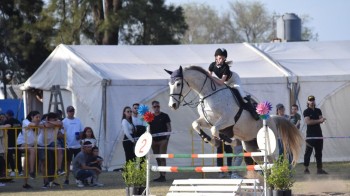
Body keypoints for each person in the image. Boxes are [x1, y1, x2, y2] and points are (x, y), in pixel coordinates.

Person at [208, 48, 259, 120]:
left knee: (242, 95)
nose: (220, 60)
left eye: (222, 59)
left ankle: (253, 112)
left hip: (234, 80)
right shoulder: (212, 65)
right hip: (226, 82)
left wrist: (212, 78)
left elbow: (221, 82)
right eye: (219, 58)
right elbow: (208, 76)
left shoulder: (226, 67)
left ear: (225, 59)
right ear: (215, 57)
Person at [303, 95, 328, 175]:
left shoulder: (318, 110)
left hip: (319, 135)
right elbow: (308, 122)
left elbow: (321, 120)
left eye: (313, 100)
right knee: (308, 153)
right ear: (308, 102)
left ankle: (319, 169)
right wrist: (319, 120)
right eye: (310, 100)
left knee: (319, 153)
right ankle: (306, 169)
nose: (312, 101)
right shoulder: (306, 111)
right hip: (310, 136)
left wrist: (321, 120)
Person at [38, 112, 63, 188]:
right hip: (41, 143)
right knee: (44, 163)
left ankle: (59, 169)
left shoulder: (55, 121)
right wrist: (53, 123)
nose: (56, 119)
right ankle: (45, 182)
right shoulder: (43, 122)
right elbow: (47, 125)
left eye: (56, 118)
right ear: (48, 118)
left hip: (51, 142)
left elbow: (61, 123)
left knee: (59, 150)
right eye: (54, 118)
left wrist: (52, 122)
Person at [149, 101, 171, 182]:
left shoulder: (165, 116)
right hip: (154, 141)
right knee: (157, 158)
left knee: (162, 158)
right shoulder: (150, 117)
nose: (156, 108)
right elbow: (148, 128)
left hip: (163, 140)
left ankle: (163, 176)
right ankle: (160, 175)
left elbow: (169, 127)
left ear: (159, 106)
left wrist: (167, 138)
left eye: (157, 106)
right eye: (154, 107)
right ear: (152, 108)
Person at [17, 111, 40, 189]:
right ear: (31, 117)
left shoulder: (38, 123)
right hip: (22, 143)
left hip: (30, 145)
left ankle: (25, 183)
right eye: (37, 117)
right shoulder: (25, 121)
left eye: (39, 117)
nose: (38, 119)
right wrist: (41, 123)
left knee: (26, 164)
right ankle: (32, 171)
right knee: (33, 150)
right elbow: (33, 125)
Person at [62, 106, 84, 185]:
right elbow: (62, 132)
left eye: (73, 111)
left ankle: (78, 178)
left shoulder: (78, 120)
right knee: (68, 163)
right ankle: (66, 179)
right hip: (68, 146)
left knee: (78, 163)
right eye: (70, 111)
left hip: (77, 145)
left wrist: (80, 136)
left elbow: (82, 131)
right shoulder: (64, 121)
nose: (72, 112)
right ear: (67, 112)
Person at [4, 110, 23, 177]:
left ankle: (13, 170)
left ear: (7, 115)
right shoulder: (17, 121)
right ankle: (20, 170)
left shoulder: (7, 122)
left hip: (10, 140)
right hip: (18, 140)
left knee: (10, 156)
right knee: (18, 156)